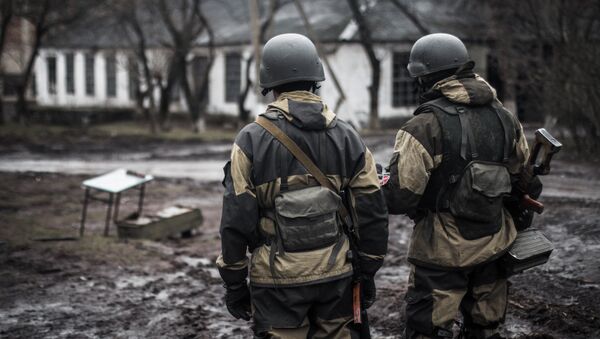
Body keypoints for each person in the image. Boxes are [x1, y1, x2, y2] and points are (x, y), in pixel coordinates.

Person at [216, 33, 389, 338]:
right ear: (316, 79)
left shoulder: (251, 140)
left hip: (276, 284)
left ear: (269, 84)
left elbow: (236, 218)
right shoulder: (347, 136)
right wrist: (369, 268)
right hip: (337, 275)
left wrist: (233, 281)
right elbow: (372, 207)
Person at [383, 33, 538, 339]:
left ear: (425, 80)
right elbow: (525, 180)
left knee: (427, 331)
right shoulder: (506, 119)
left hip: (441, 254)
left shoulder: (422, 126)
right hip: (495, 244)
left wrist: (381, 183)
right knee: (486, 330)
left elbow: (400, 198)